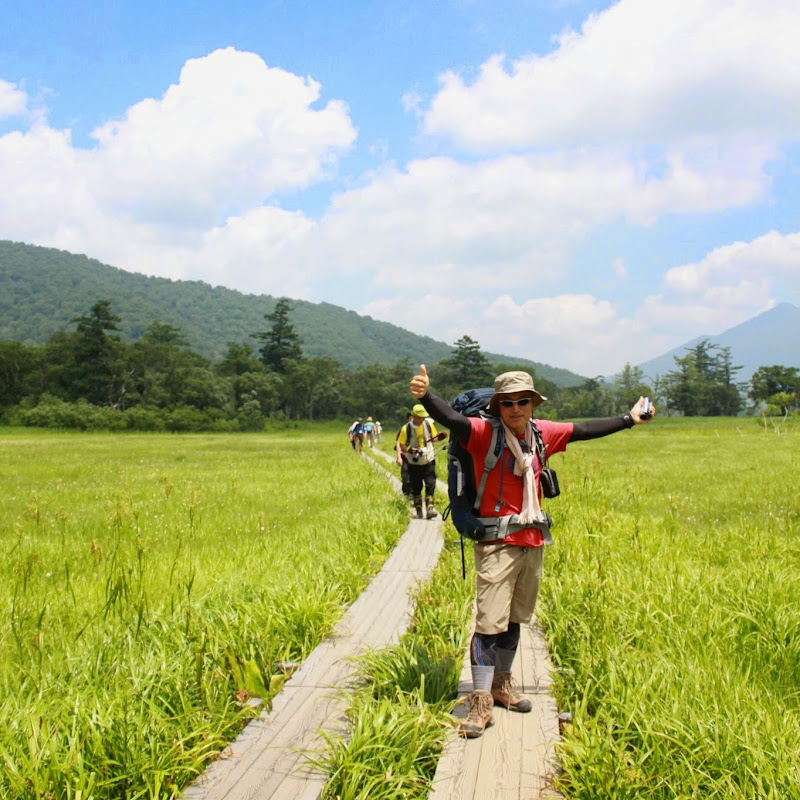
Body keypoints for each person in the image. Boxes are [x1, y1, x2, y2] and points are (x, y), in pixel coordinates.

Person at [409, 364, 655, 738]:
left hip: (533, 542)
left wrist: (629, 419)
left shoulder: (541, 434)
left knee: (514, 619)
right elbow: (453, 420)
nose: (516, 408)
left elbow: (584, 430)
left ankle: (501, 685)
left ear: (533, 404)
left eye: (523, 401)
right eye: (508, 403)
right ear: (498, 406)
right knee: (488, 624)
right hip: (497, 544)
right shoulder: (483, 433)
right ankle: (480, 700)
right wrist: (427, 396)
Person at [396, 402, 447, 519]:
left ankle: (430, 509)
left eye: (423, 417)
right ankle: (419, 511)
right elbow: (402, 445)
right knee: (416, 486)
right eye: (420, 418)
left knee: (431, 484)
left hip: (428, 459)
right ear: (414, 417)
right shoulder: (406, 428)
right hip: (414, 462)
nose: (422, 420)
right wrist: (410, 450)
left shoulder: (428, 424)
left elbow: (433, 439)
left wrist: (440, 437)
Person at [394, 413, 414, 500]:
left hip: (417, 457)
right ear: (408, 419)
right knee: (405, 477)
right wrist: (398, 457)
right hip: (405, 456)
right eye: (411, 419)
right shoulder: (404, 428)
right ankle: (406, 492)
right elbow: (398, 443)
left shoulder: (421, 428)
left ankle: (412, 495)